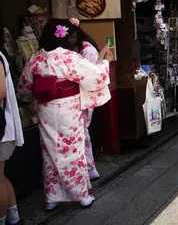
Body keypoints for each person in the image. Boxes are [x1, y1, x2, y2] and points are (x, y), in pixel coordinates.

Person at [18, 19, 112, 210]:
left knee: (50, 152)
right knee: (73, 149)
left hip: (45, 109)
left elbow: (25, 88)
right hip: (68, 108)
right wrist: (105, 61)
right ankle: (81, 195)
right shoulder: (69, 58)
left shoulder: (35, 59)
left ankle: (52, 197)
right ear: (64, 37)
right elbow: (96, 75)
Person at [66, 18, 101, 180]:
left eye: (71, 35)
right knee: (80, 131)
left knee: (82, 130)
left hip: (84, 95)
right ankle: (86, 166)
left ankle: (88, 166)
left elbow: (90, 76)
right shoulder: (72, 49)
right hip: (73, 96)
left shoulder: (88, 50)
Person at [0, 44, 24, 225]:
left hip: (2, 129)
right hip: (5, 127)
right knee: (1, 177)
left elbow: (0, 91)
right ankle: (14, 217)